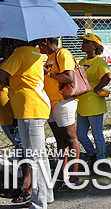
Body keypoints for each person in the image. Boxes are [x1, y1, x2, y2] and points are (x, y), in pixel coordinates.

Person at [0, 39, 54, 208]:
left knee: (34, 157)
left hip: (28, 108)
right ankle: (47, 194)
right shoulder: (36, 53)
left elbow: (0, 76)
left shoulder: (20, 53)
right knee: (39, 156)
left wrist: (10, 81)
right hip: (37, 106)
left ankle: (39, 202)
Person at [39, 37, 81, 191]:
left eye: (40, 45)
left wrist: (48, 74)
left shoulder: (62, 53)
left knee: (70, 138)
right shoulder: (49, 58)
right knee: (60, 139)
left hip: (64, 101)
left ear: (45, 41)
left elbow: (68, 77)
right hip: (52, 103)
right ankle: (63, 174)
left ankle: (75, 176)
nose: (39, 48)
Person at [0, 39, 33, 203]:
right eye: (1, 46)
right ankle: (24, 183)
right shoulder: (3, 62)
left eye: (6, 46)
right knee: (20, 150)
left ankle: (29, 185)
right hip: (4, 116)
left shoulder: (16, 62)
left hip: (15, 113)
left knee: (25, 149)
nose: (2, 49)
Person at [76, 33, 111, 171]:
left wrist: (97, 88)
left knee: (97, 133)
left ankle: (101, 160)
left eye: (86, 42)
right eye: (83, 41)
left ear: (94, 46)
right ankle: (93, 156)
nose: (83, 44)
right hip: (82, 103)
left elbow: (108, 76)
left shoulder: (99, 61)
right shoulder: (82, 61)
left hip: (94, 103)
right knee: (80, 135)